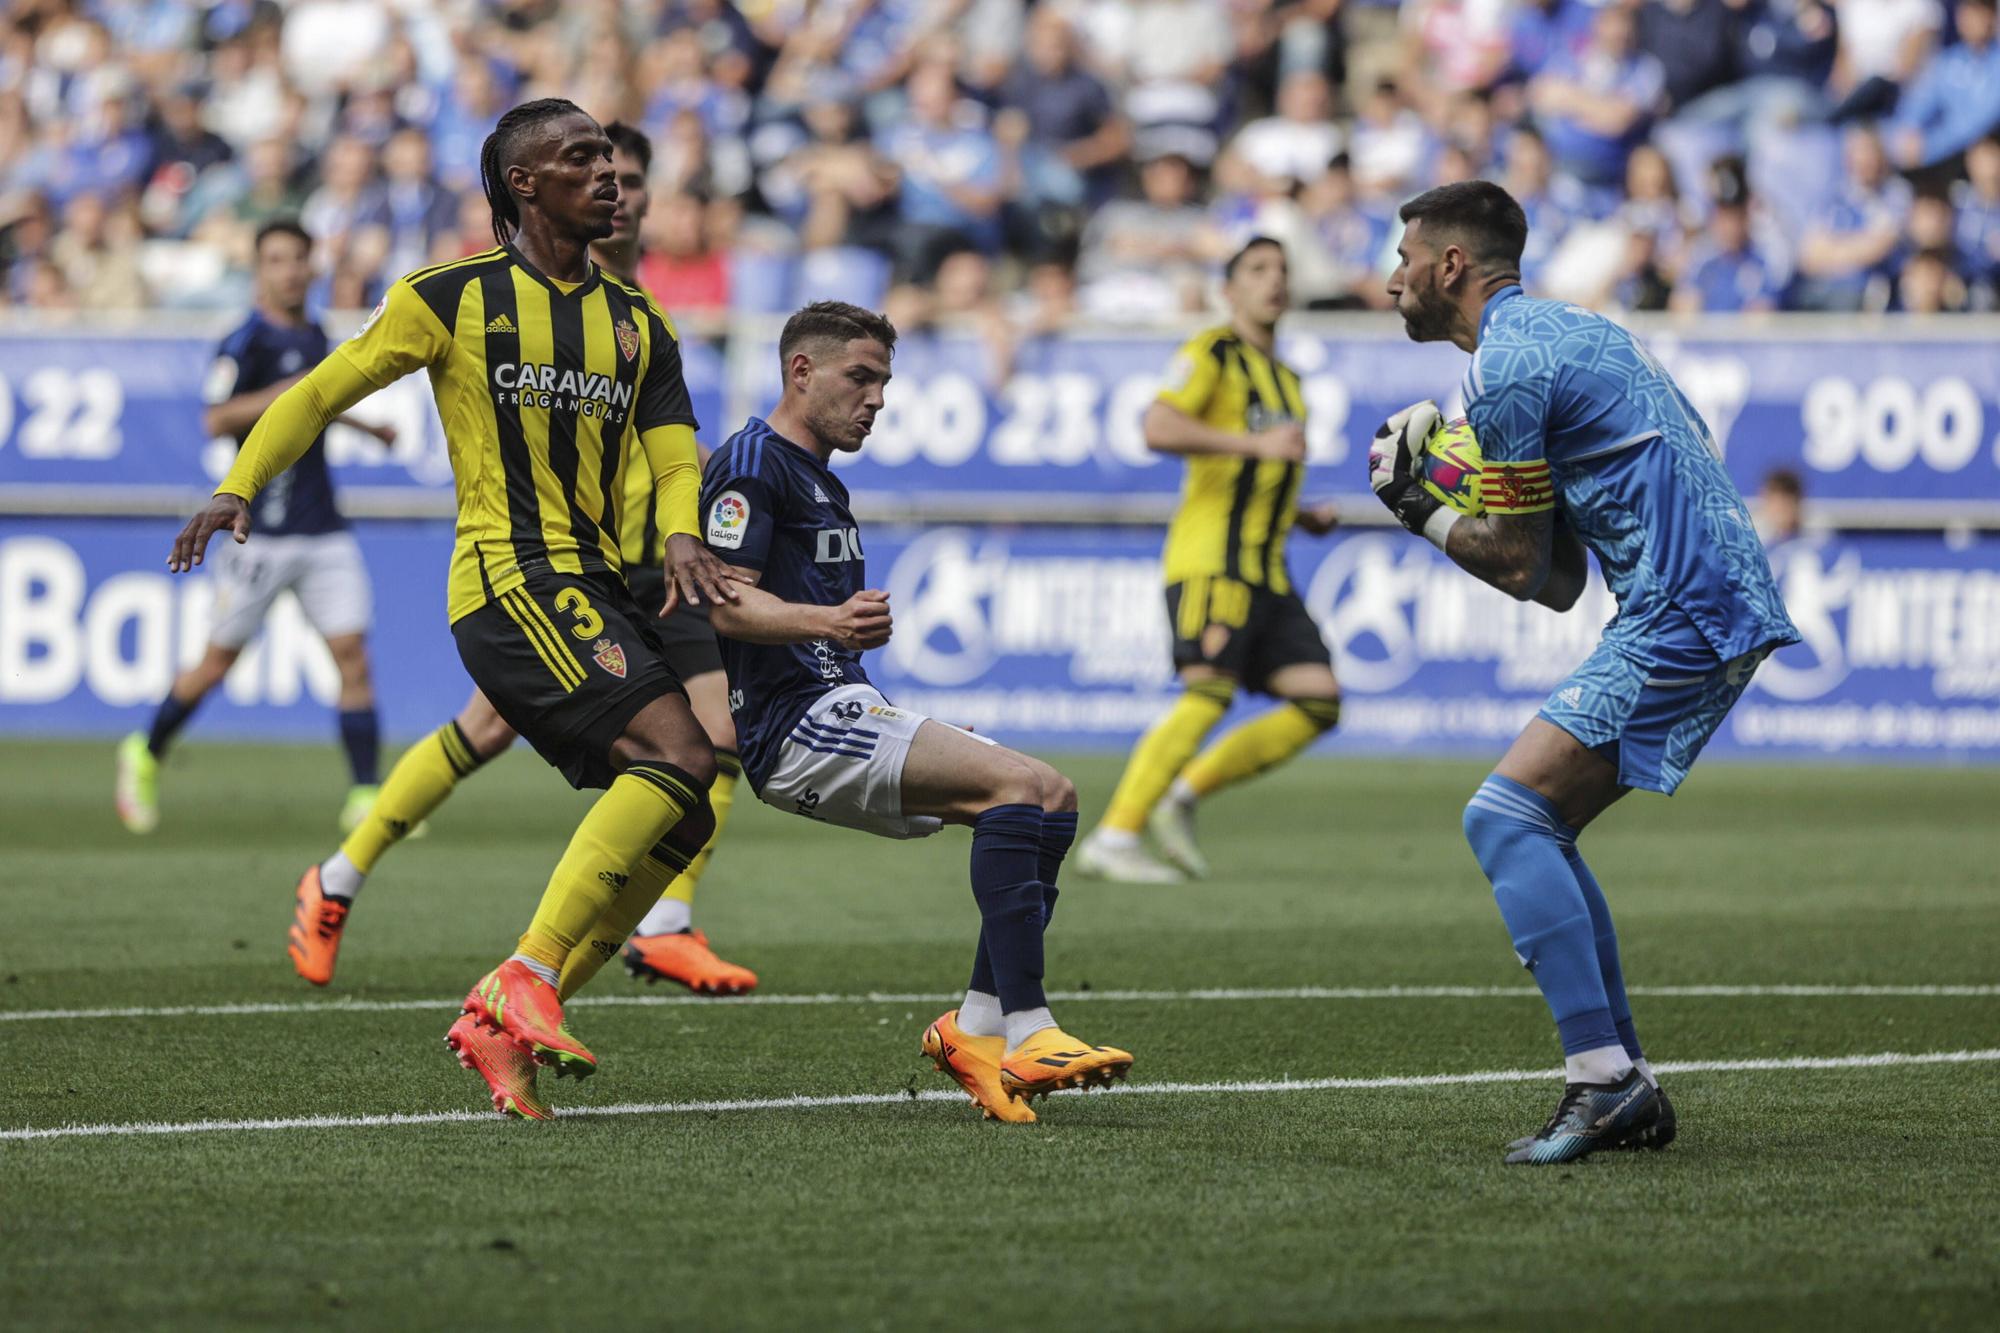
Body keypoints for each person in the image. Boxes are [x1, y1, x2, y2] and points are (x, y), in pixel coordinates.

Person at [167, 99, 744, 1122]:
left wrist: (683, 529)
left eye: (611, 161)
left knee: (688, 790)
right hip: (509, 579)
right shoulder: (451, 296)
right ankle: (520, 968)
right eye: (582, 161)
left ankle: (505, 1010)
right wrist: (239, 485)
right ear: (523, 184)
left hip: (601, 582)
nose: (607, 177)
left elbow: (667, 445)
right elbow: (318, 391)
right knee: (679, 753)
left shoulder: (637, 321)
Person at [1374, 180, 1800, 1164]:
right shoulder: (1569, 333)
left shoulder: (1505, 371)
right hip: (1695, 596)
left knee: (1503, 815)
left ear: (1449, 266)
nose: (1390, 280)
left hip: (1684, 607)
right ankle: (1621, 1082)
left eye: (1404, 260)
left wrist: (1417, 506)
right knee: (1538, 820)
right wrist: (1452, 492)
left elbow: (1518, 564)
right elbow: (1561, 579)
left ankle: (1603, 1079)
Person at [283, 122, 758, 999]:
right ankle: (341, 877)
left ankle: (664, 923)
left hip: (655, 561)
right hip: (556, 567)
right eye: (603, 172)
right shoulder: (500, 299)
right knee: (490, 727)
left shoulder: (640, 315)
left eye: (634, 181)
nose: (624, 193)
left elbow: (673, 445)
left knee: (712, 737)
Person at [699, 300, 1132, 1124]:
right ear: (801, 371)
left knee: (1053, 793)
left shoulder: (821, 478)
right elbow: (723, 606)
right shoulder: (753, 462)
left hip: (841, 705)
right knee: (1012, 788)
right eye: (860, 377)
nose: (877, 398)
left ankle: (973, 1025)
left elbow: (823, 646)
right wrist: (830, 621)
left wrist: (899, 715)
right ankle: (1030, 1028)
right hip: (794, 727)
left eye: (885, 382)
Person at [117, 219, 397, 837]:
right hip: (258, 533)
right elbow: (215, 418)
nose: (290, 270)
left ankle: (364, 792)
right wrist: (285, 389)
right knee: (217, 663)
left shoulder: (318, 331)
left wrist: (365, 427)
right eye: (276, 260)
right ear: (259, 270)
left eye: (299, 258)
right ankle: (144, 751)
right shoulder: (243, 341)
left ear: (313, 265)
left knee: (352, 657)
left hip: (323, 528)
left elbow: (317, 398)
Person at [1074, 237, 1341, 884]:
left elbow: (1264, 464)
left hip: (1268, 568)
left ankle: (1183, 793)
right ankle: (1114, 835)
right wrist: (1253, 443)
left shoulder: (1288, 378)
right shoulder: (1211, 351)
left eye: (1282, 269)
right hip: (1211, 559)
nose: (1273, 280)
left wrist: (1301, 512)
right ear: (1229, 291)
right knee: (1208, 690)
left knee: (1318, 699)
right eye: (1256, 270)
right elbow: (1157, 426)